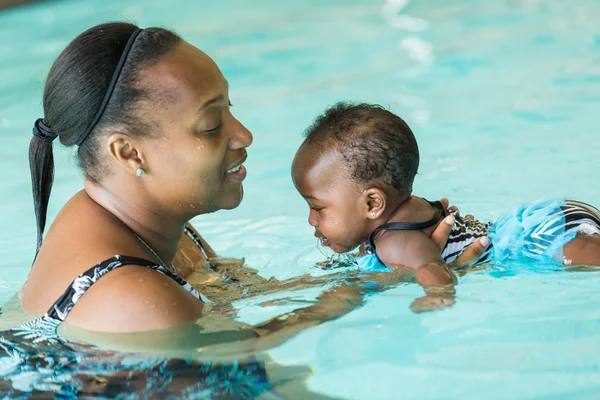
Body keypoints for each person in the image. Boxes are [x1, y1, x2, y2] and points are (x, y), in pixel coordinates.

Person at [19, 23, 486, 340]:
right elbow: (244, 350)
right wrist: (372, 290)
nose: (243, 135)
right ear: (129, 152)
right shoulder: (128, 294)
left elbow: (235, 299)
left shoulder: (152, 228)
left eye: (231, 109)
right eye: (210, 125)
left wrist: (395, 256)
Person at [291, 102, 600, 290]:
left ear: (373, 203)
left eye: (318, 208)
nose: (310, 219)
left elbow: (433, 271)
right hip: (545, 222)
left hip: (538, 242)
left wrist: (435, 297)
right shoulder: (404, 210)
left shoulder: (394, 241)